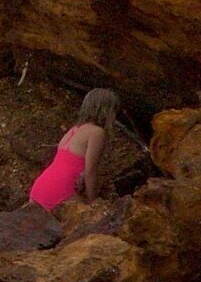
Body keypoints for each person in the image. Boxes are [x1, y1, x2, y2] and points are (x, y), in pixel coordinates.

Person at [27, 87, 127, 215]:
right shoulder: (97, 132)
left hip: (40, 188)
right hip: (61, 189)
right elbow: (90, 170)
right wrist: (92, 201)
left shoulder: (75, 129)